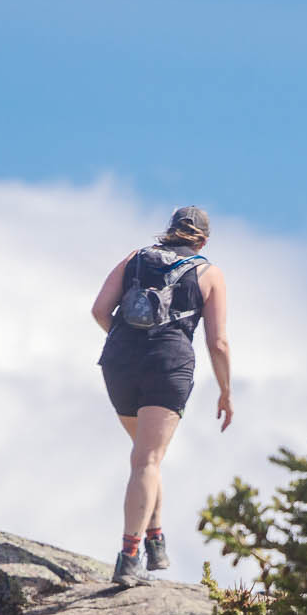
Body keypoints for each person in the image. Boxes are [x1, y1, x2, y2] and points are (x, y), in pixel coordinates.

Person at [89, 205, 232, 585]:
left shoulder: (135, 258)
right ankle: (129, 557)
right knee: (148, 460)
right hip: (168, 364)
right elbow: (217, 342)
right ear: (203, 240)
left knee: (146, 458)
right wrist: (225, 391)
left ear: (169, 230)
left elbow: (100, 310)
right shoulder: (209, 273)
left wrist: (126, 343)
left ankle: (156, 541)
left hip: (119, 361)